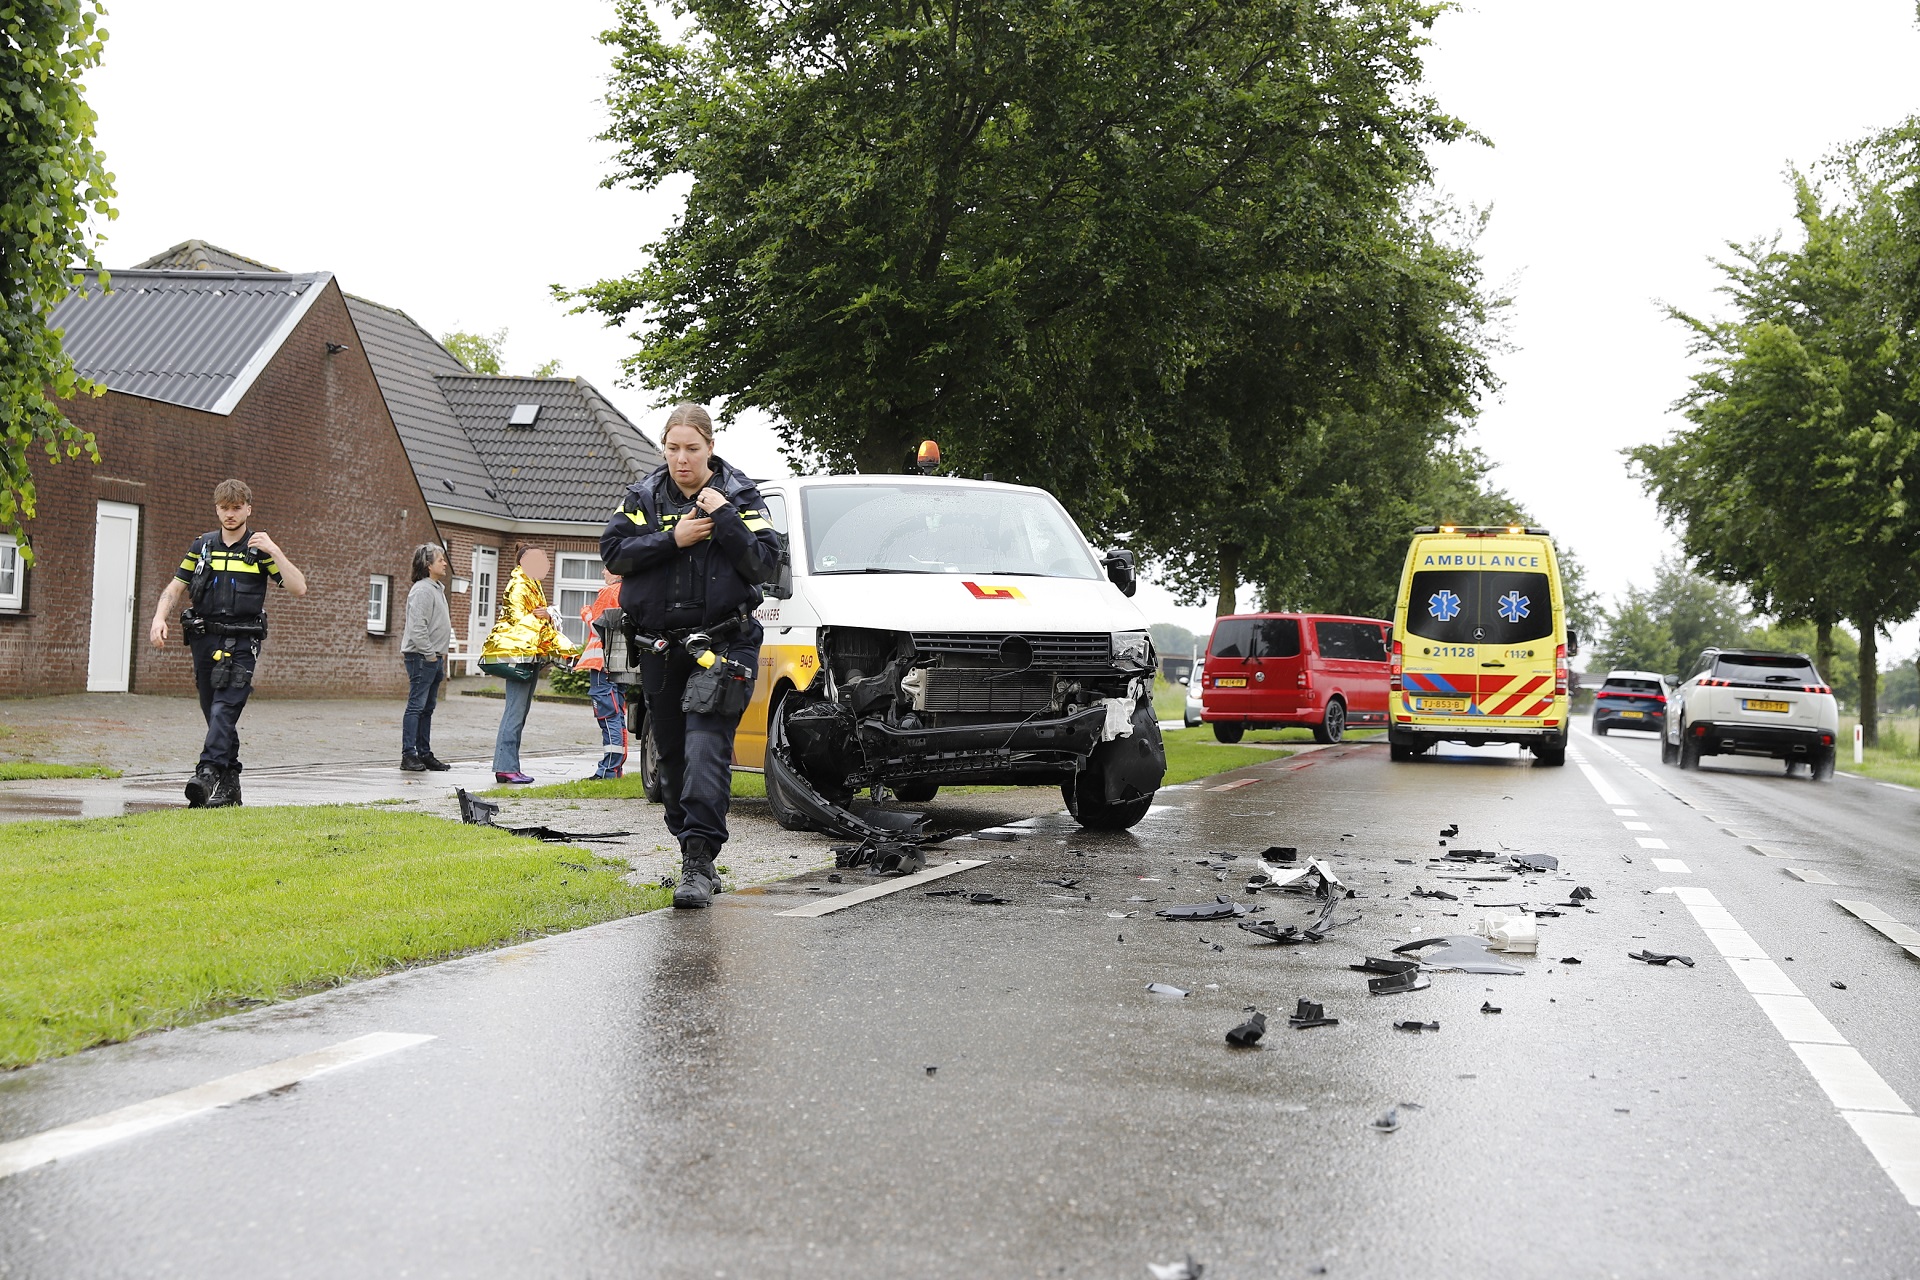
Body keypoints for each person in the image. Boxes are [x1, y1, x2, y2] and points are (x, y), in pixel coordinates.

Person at [601, 402, 781, 908]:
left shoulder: (741, 495)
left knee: (706, 747)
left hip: (725, 643)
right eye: (673, 448)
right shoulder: (643, 498)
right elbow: (614, 553)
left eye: (692, 449)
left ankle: (699, 861)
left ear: (710, 447)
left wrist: (722, 514)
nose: (682, 459)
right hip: (660, 645)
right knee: (673, 759)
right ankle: (690, 850)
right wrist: (671, 539)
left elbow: (763, 563)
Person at [148, 478, 309, 807]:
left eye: (237, 508)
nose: (230, 514)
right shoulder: (202, 546)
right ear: (217, 509)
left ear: (248, 509)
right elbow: (175, 587)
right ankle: (231, 784)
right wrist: (158, 617)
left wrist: (275, 549)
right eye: (225, 508)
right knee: (214, 713)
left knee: (225, 708)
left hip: (242, 641)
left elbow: (299, 588)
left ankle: (207, 773)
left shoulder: (259, 550)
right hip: (204, 639)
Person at [481, 547, 577, 784]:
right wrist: (544, 615)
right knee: (514, 711)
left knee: (519, 712)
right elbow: (517, 621)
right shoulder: (519, 585)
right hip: (519, 656)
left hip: (528, 655)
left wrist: (547, 615)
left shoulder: (531, 584)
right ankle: (505, 766)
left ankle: (510, 765)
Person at [401, 544, 453, 772]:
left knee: (427, 707)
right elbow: (417, 627)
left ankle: (424, 753)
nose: (444, 563)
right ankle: (409, 755)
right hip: (422, 657)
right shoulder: (422, 590)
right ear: (427, 565)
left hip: (434, 657)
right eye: (440, 559)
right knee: (416, 706)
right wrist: (430, 655)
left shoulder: (436, 589)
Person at [576, 566, 629, 780]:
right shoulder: (629, 591)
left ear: (617, 571)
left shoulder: (610, 592)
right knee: (617, 715)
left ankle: (608, 770)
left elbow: (598, 627)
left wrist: (586, 613)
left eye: (606, 568)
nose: (602, 573)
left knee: (608, 716)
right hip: (618, 663)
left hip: (602, 664)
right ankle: (615, 768)